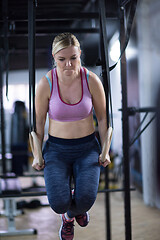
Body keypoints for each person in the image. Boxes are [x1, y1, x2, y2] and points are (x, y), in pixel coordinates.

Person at [32, 32, 111, 240]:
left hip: (87, 149)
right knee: (59, 203)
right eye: (62, 59)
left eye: (73, 58)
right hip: (56, 150)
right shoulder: (45, 84)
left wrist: (105, 150)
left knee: (85, 200)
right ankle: (67, 215)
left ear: (80, 55)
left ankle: (73, 214)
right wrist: (37, 154)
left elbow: (103, 120)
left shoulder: (91, 80)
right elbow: (38, 124)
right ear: (53, 57)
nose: (68, 64)